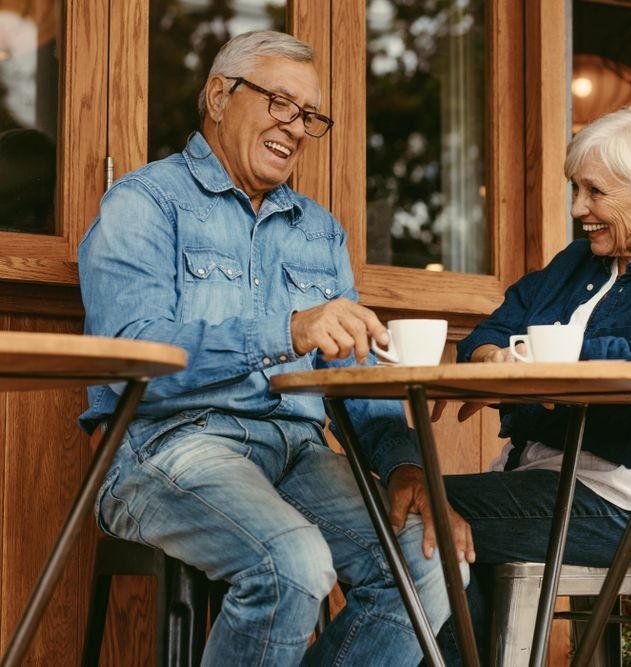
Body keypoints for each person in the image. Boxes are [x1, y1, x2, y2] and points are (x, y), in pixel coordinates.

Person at [78, 30, 473, 666]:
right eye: (280, 103)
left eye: (310, 115)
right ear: (217, 96)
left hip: (296, 454)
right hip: (168, 444)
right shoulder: (145, 203)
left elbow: (359, 389)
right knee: (293, 563)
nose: (295, 126)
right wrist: (285, 330)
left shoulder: (320, 233)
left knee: (431, 562)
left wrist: (406, 468)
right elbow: (130, 360)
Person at [436, 100, 631, 643]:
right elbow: (487, 333)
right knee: (422, 518)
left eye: (595, 191)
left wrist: (547, 357)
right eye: (576, 189)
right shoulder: (574, 264)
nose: (579, 208)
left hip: (627, 501)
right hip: (536, 481)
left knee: (419, 511)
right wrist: (492, 359)